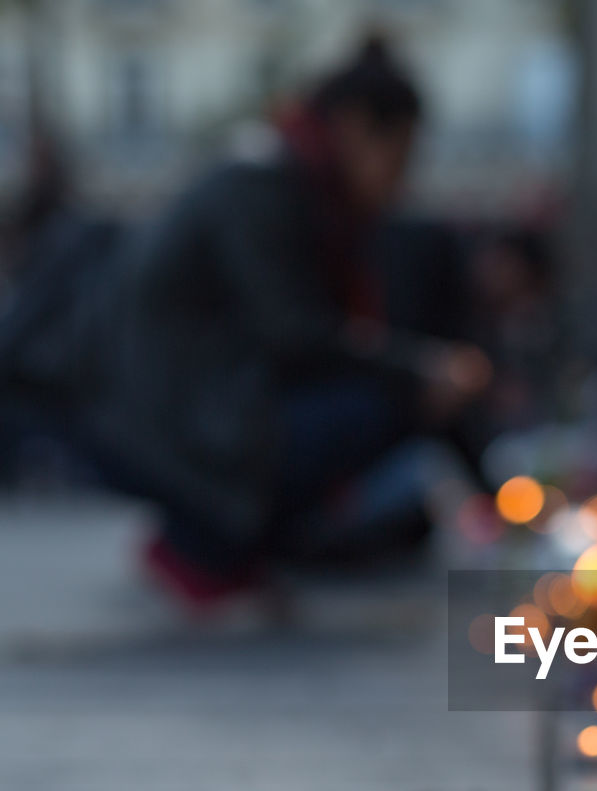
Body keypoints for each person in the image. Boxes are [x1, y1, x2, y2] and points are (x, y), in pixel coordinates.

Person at [77, 36, 491, 609]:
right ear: (353, 127)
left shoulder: (295, 184)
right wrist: (417, 368)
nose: (402, 183)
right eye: (399, 159)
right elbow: (294, 333)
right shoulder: (265, 187)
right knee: (391, 399)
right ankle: (206, 549)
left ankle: (226, 547)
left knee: (402, 390)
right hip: (179, 419)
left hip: (192, 402)